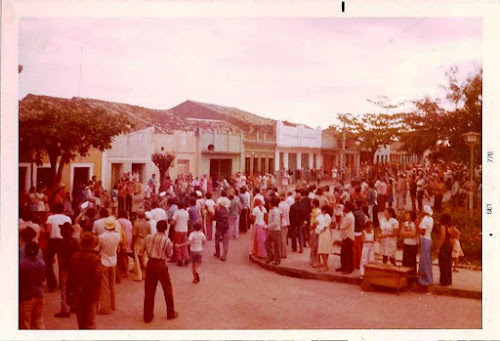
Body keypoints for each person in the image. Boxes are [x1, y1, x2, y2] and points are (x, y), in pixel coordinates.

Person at [142, 220, 178, 323]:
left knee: (149, 291)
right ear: (165, 229)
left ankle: (147, 316)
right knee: (167, 289)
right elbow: (169, 254)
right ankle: (170, 312)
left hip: (150, 264)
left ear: (157, 227)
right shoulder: (166, 240)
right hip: (161, 265)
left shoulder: (148, 237)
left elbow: (142, 250)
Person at [67, 232, 102, 329]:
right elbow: (98, 278)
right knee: (90, 322)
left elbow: (70, 278)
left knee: (81, 322)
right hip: (91, 294)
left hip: (77, 292)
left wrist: (69, 295)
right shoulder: (95, 258)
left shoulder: (75, 256)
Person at [96, 216, 121, 314]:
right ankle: (113, 304)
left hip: (103, 261)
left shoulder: (101, 237)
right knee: (112, 285)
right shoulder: (117, 236)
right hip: (113, 260)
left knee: (104, 286)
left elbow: (97, 249)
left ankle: (105, 307)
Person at [45, 203, 72, 291]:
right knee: (63, 262)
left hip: (53, 240)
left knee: (48, 262)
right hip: (63, 240)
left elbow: (48, 231)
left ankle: (52, 284)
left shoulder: (50, 218)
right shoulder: (67, 218)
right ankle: (62, 283)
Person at [54, 223, 79, 318]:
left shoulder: (61, 242)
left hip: (65, 267)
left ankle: (65, 309)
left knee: (64, 289)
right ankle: (73, 305)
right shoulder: (75, 241)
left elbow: (60, 258)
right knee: (73, 287)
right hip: (75, 267)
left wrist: (61, 269)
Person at [19, 242, 46, 329]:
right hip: (39, 294)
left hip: (26, 296)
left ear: (26, 252)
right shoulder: (41, 263)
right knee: (39, 321)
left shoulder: (22, 265)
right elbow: (43, 279)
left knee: (25, 322)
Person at [400, 211, 418, 284]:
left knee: (412, 261)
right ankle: (405, 278)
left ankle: (412, 278)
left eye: (408, 215)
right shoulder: (405, 223)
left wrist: (406, 234)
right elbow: (401, 232)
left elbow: (414, 234)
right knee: (405, 261)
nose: (406, 216)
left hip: (413, 244)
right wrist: (408, 234)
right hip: (406, 243)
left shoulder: (415, 224)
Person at [418, 205, 434, 287]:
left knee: (424, 260)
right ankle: (428, 278)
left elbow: (422, 232)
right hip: (429, 239)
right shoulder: (430, 219)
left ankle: (424, 279)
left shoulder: (424, 220)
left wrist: (418, 226)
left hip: (424, 239)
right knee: (427, 259)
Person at [132, 210, 151, 280]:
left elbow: (134, 235)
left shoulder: (136, 224)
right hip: (146, 240)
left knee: (137, 258)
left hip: (138, 241)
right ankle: (146, 274)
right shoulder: (148, 224)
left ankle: (138, 276)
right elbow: (150, 234)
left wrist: (132, 243)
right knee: (145, 258)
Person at [337, 201, 355, 274]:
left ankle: (349, 269)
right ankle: (343, 266)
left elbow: (342, 226)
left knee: (348, 254)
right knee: (343, 253)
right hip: (344, 237)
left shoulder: (350, 217)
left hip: (348, 237)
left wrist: (340, 225)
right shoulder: (346, 215)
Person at [436, 213, 453, 286]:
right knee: (448, 263)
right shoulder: (450, 227)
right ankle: (448, 279)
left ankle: (443, 280)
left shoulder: (443, 227)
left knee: (443, 263)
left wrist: (438, 247)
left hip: (444, 245)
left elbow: (442, 237)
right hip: (449, 244)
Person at [171, 202, 190, 266]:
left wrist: (170, 223)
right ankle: (186, 257)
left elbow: (173, 222)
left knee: (177, 245)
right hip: (185, 229)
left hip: (178, 229)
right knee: (183, 245)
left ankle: (179, 260)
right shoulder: (186, 212)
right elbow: (187, 220)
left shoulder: (177, 212)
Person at [316, 205, 334, 271]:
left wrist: (318, 228)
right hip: (324, 234)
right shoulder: (324, 216)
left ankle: (325, 265)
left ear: (325, 210)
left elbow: (324, 227)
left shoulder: (327, 217)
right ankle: (324, 263)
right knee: (324, 249)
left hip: (325, 234)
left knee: (323, 250)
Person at [265, 197, 282, 266]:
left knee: (276, 245)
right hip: (271, 230)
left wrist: (267, 226)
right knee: (267, 243)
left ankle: (277, 259)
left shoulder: (276, 211)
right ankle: (271, 256)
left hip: (276, 230)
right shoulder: (271, 210)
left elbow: (275, 222)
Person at [278, 194, 290, 258]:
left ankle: (282, 253)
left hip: (282, 223)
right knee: (284, 238)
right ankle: (284, 253)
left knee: (282, 239)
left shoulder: (280, 205)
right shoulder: (287, 205)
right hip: (287, 222)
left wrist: (279, 223)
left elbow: (280, 215)